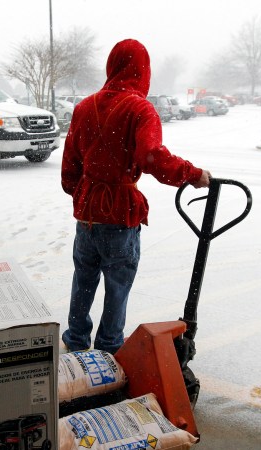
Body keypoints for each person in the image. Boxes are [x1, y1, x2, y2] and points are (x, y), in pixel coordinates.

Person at [61, 38, 212, 356]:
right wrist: (193, 174)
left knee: (83, 281)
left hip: (87, 215)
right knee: (117, 286)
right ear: (142, 72)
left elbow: (69, 171)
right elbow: (151, 157)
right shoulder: (140, 109)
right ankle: (108, 350)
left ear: (111, 67)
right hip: (120, 216)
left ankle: (75, 343)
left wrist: (85, 194)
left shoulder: (83, 107)